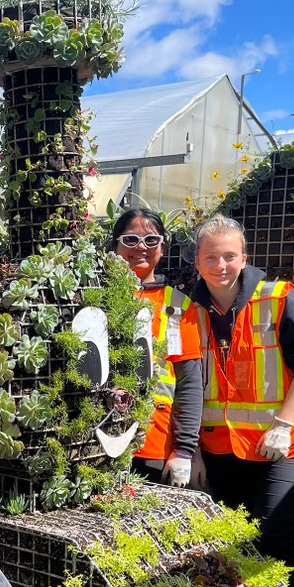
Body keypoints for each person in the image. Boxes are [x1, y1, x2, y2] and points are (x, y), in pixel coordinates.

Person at [188, 214, 294, 568]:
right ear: (197, 262)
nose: (220, 265)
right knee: (228, 542)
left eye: (229, 256)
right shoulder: (189, 310)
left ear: (244, 258)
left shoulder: (279, 298)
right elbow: (185, 384)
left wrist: (283, 425)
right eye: (211, 257)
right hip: (220, 448)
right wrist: (190, 450)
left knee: (271, 539)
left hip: (281, 446)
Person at [109, 208, 203, 488]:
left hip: (153, 444)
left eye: (151, 240)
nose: (141, 247)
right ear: (114, 246)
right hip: (94, 443)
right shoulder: (91, 295)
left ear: (162, 248)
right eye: (130, 240)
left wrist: (184, 450)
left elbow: (189, 383)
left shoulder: (176, 305)